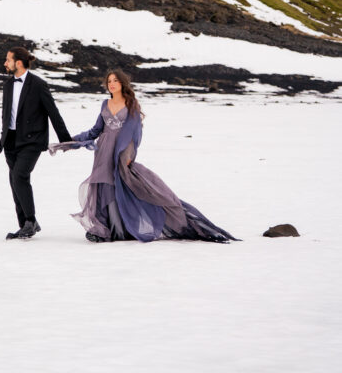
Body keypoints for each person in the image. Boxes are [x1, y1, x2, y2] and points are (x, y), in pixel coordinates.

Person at [51, 69, 236, 243]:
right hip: (102, 152)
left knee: (120, 188)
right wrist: (71, 141)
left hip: (120, 153)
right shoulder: (104, 104)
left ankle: (120, 230)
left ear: (123, 84)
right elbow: (96, 130)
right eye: (109, 81)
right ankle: (103, 229)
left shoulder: (131, 104)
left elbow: (135, 134)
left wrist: (130, 154)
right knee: (102, 188)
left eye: (116, 80)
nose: (112, 84)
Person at [0, 45, 72, 239]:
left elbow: (53, 112)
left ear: (19, 63)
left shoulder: (38, 84)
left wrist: (65, 139)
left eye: (8, 60)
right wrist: (3, 136)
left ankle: (30, 220)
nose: (5, 63)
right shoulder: (7, 86)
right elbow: (6, 115)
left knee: (20, 176)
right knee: (14, 181)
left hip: (32, 140)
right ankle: (25, 224)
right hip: (11, 141)